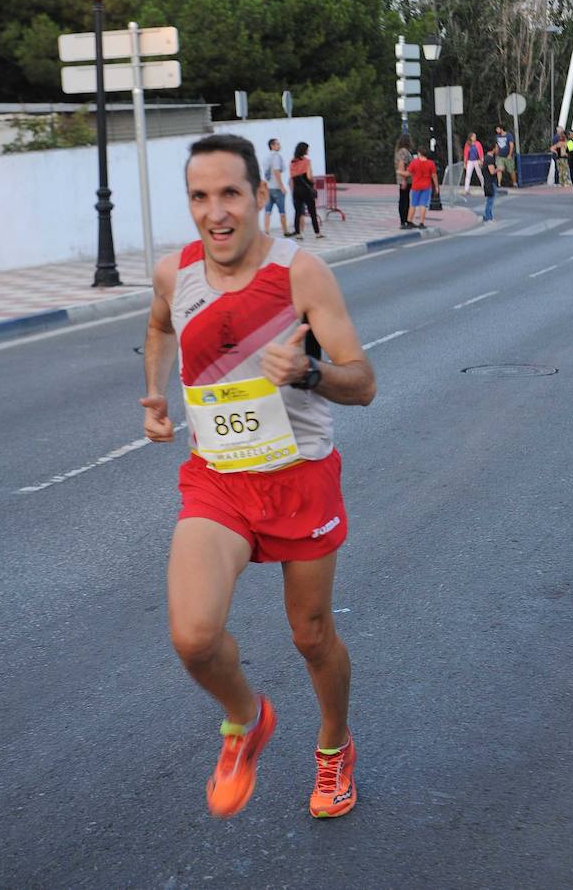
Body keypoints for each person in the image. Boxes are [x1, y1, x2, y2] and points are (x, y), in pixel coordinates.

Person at [139, 133, 376, 821]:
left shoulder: (300, 275)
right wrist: (154, 393)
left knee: (310, 634)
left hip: (299, 478)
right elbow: (158, 327)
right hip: (218, 482)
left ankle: (334, 746)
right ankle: (246, 719)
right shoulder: (173, 274)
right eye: (200, 196)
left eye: (231, 194)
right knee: (193, 638)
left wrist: (307, 372)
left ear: (261, 196)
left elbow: (362, 382)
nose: (217, 212)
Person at [289, 142, 324, 239]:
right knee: (312, 211)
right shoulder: (307, 161)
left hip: (296, 189)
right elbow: (309, 176)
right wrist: (313, 181)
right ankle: (317, 233)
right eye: (307, 149)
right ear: (304, 150)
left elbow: (292, 177)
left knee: (298, 212)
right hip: (306, 189)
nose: (308, 151)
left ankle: (298, 234)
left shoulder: (292, 162)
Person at [263, 138, 292, 237]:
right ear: (272, 145)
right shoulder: (276, 157)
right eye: (277, 144)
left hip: (268, 187)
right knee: (282, 211)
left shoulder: (266, 157)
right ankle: (285, 231)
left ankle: (266, 231)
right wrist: (282, 187)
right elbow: (276, 172)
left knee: (267, 211)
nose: (279, 146)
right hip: (276, 188)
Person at [406, 147, 439, 229]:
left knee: (413, 204)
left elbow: (408, 173)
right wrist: (436, 186)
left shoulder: (414, 162)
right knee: (423, 205)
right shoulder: (431, 163)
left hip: (416, 186)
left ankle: (409, 221)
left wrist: (400, 172)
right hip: (426, 186)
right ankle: (421, 223)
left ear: (419, 153)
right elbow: (434, 175)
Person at [394, 133, 413, 229]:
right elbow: (402, 165)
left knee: (406, 199)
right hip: (405, 179)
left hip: (407, 179)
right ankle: (403, 221)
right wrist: (404, 180)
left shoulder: (402, 151)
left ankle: (406, 220)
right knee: (403, 200)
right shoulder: (403, 152)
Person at [482, 140, 498, 221]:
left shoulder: (486, 158)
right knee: (490, 200)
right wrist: (499, 169)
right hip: (490, 182)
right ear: (493, 149)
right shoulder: (490, 159)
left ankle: (488, 215)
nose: (497, 149)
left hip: (487, 182)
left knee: (489, 200)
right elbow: (492, 171)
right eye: (496, 147)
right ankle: (488, 216)